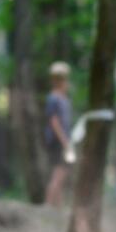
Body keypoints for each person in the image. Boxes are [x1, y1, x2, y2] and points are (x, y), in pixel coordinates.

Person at [44, 61, 73, 206]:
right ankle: (48, 204)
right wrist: (64, 141)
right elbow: (54, 121)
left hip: (61, 140)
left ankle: (58, 205)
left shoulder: (63, 99)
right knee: (59, 172)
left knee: (62, 172)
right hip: (57, 140)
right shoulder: (54, 98)